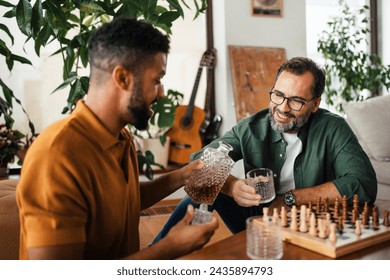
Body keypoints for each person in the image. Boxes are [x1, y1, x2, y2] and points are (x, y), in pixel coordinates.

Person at [16, 17, 218, 260]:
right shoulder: (56, 156)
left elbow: (124, 201)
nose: (162, 93)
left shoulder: (120, 135)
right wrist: (168, 248)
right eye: (157, 80)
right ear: (122, 78)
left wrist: (183, 176)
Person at [152, 56, 377, 241]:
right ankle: (156, 258)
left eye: (296, 101)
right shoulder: (251, 127)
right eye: (278, 95)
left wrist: (291, 198)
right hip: (256, 214)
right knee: (199, 193)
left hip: (309, 220)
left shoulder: (333, 127)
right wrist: (232, 187)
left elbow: (363, 183)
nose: (282, 108)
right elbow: (200, 160)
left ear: (315, 104)